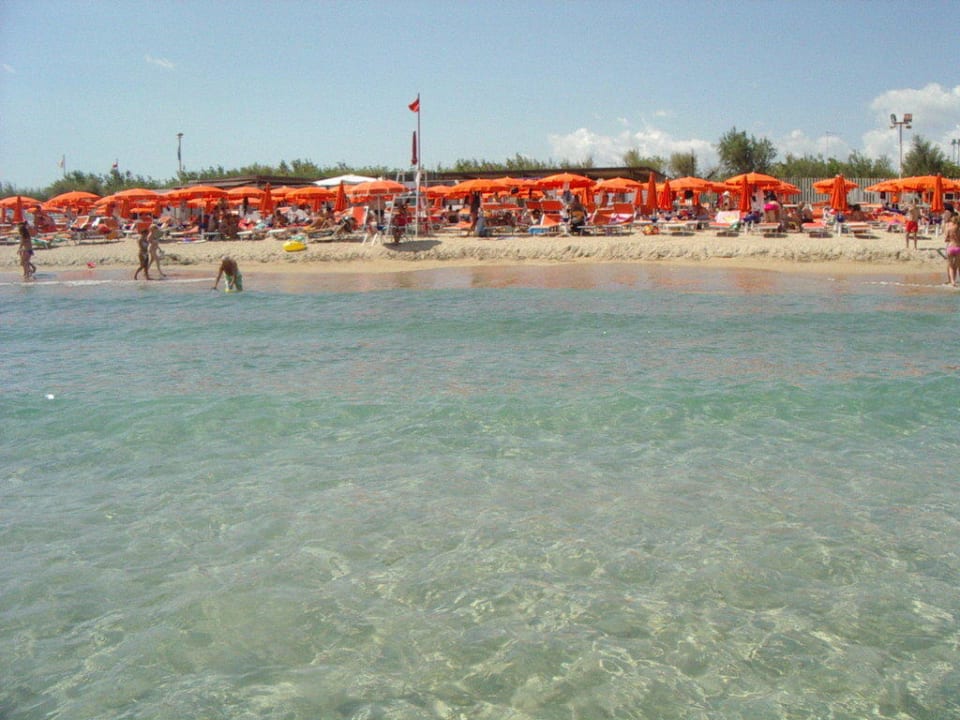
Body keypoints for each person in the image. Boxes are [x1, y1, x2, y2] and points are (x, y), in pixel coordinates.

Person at [944, 214, 960, 286]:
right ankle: (955, 280)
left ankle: (952, 281)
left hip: (950, 247)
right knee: (955, 266)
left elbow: (945, 239)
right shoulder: (958, 229)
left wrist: (949, 238)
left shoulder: (949, 229)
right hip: (958, 247)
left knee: (950, 266)